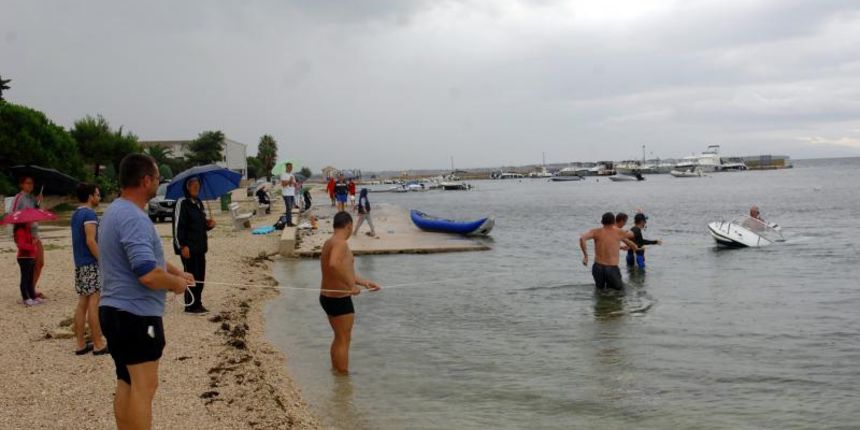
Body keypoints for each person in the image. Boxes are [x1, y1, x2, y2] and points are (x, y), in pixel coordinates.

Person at [99, 153, 194, 429]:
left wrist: (177, 273)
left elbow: (148, 260)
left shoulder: (114, 211)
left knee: (126, 381)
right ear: (145, 181)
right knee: (145, 387)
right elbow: (148, 274)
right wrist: (175, 284)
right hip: (136, 317)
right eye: (157, 178)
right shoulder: (134, 218)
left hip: (113, 312)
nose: (158, 182)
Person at [319, 212, 381, 374]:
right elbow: (333, 264)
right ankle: (343, 376)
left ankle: (336, 373)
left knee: (339, 336)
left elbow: (342, 269)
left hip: (327, 297)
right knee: (344, 338)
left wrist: (364, 282)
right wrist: (351, 286)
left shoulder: (329, 242)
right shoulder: (341, 243)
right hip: (338, 298)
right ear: (349, 226)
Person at [70, 183, 108, 355]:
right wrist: (102, 260)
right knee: (94, 302)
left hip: (80, 263)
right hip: (91, 263)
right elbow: (90, 240)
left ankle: (80, 344)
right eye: (97, 194)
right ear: (90, 196)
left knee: (82, 303)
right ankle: (98, 343)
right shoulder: (89, 214)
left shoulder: (76, 214)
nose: (99, 198)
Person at [173, 176, 215, 314]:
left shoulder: (198, 202)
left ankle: (198, 303)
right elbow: (178, 226)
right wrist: (182, 246)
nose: (196, 188)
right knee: (191, 276)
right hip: (188, 249)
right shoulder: (182, 203)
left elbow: (200, 225)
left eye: (198, 186)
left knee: (200, 277)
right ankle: (190, 306)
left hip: (200, 247)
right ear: (187, 187)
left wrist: (209, 225)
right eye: (194, 186)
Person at [580, 212, 638, 291]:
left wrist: (586, 256)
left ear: (602, 221)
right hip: (611, 268)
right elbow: (632, 234)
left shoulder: (595, 231)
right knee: (620, 292)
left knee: (600, 291)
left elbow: (582, 238)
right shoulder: (619, 232)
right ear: (614, 221)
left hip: (597, 267)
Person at [12, 176, 45, 298]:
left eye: (32, 183)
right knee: (29, 264)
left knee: (39, 263)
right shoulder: (18, 198)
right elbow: (13, 215)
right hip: (25, 235)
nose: (30, 185)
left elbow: (35, 214)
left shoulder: (32, 198)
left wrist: (38, 203)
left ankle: (31, 289)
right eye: (28, 183)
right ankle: (28, 292)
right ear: (21, 184)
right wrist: (18, 237)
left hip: (35, 234)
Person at [13, 223, 39, 306]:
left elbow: (29, 241)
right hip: (24, 257)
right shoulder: (20, 231)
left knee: (30, 278)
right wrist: (32, 247)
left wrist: (34, 240)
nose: (31, 221)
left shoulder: (27, 229)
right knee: (25, 278)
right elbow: (21, 245)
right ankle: (25, 298)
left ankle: (32, 296)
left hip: (31, 257)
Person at [280, 162, 296, 227]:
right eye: (289, 167)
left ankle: (289, 221)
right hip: (286, 194)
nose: (291, 168)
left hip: (292, 193)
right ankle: (289, 223)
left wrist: (295, 184)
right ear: (286, 167)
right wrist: (289, 181)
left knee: (290, 208)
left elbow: (294, 184)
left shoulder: (292, 175)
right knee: (288, 208)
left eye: (291, 167)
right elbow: (283, 184)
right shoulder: (283, 174)